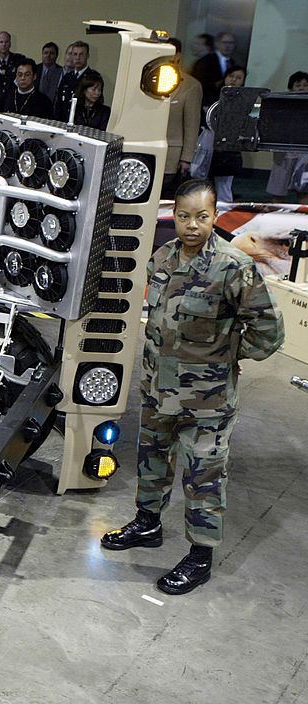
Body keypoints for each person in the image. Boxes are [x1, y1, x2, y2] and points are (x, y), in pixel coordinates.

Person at [100, 178, 283, 595]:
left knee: (203, 478)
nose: (192, 226)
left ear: (215, 216)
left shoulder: (233, 266)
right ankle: (147, 524)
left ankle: (200, 557)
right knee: (152, 462)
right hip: (158, 389)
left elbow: (269, 332)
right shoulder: (162, 257)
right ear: (175, 216)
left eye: (202, 216)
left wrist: (226, 359)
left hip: (208, 400)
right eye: (184, 216)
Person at [162, 38, 203, 198]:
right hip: (148, 150)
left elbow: (191, 125)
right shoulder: (147, 80)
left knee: (168, 195)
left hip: (173, 153)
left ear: (177, 55)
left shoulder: (191, 85)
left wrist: (187, 158)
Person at [266, 71, 308, 204]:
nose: (302, 88)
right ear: (291, 88)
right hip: (284, 152)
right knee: (278, 191)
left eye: (306, 85)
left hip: (304, 153)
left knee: (303, 190)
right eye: (298, 85)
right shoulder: (282, 104)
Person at [208, 65, 246, 202]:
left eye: (238, 78)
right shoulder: (212, 95)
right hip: (208, 144)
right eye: (231, 76)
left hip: (228, 149)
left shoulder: (244, 100)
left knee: (223, 187)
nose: (234, 80)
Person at [192, 32, 237, 110]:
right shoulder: (206, 60)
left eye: (231, 43)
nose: (228, 46)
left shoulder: (232, 62)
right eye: (224, 42)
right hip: (205, 103)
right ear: (217, 44)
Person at [54, 41, 93, 121]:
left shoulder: (92, 77)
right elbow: (59, 103)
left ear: (87, 56)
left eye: (81, 54)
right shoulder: (67, 77)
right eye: (75, 54)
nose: (77, 58)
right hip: (64, 121)